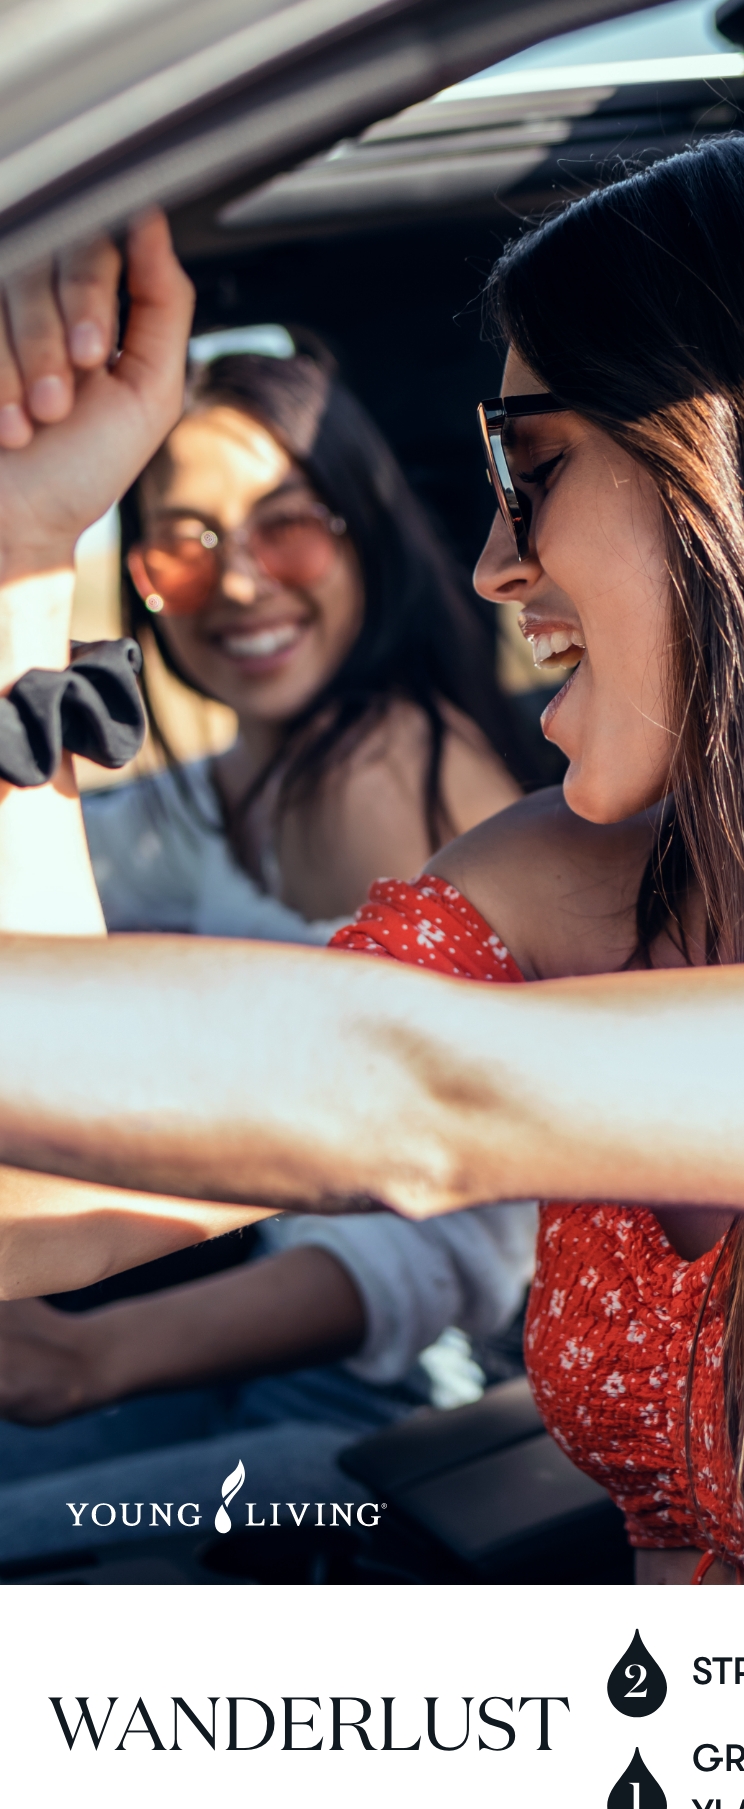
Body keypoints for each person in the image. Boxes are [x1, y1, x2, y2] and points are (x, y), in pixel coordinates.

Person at [3, 136, 744, 1584]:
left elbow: (414, 1091)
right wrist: (23, 552)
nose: (493, 563)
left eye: (532, 462)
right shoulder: (588, 876)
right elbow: (49, 1216)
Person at [0, 338, 536, 1519]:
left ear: (362, 533)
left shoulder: (385, 767)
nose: (239, 582)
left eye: (284, 526)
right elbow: (94, 875)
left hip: (402, 1410)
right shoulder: (241, 773)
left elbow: (459, 1229)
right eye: (185, 548)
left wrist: (85, 1360)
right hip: (261, 1354)